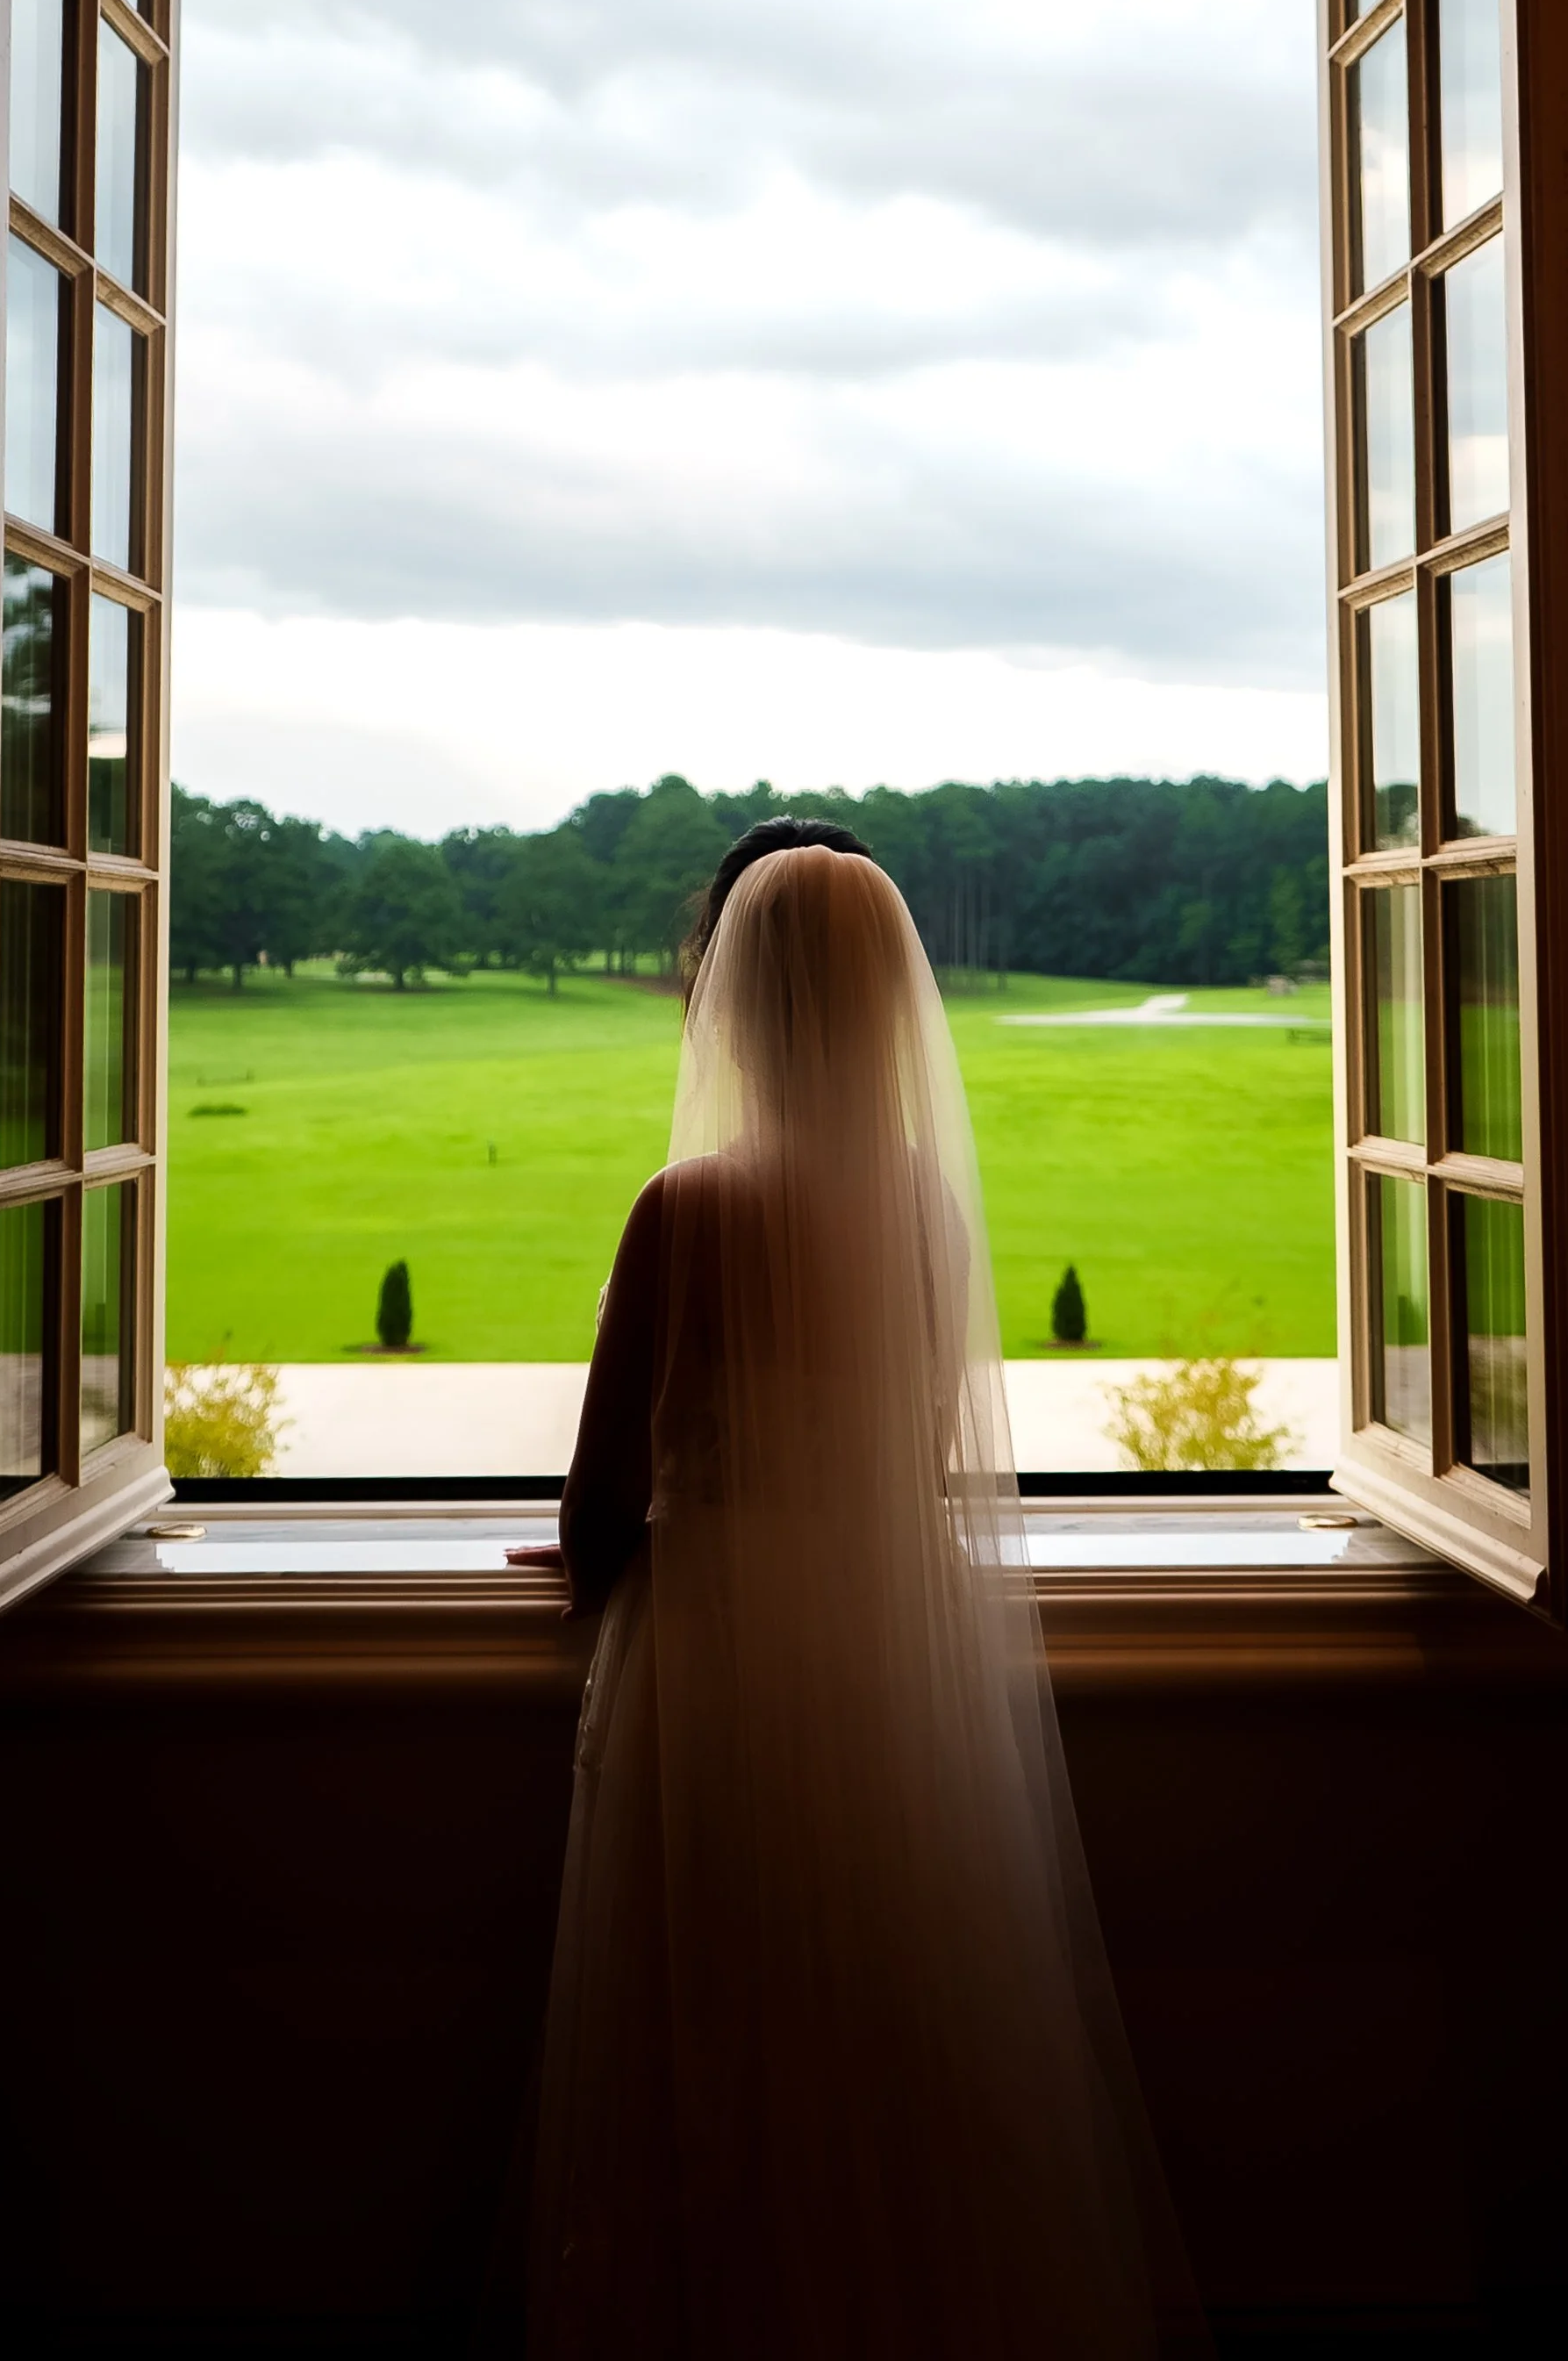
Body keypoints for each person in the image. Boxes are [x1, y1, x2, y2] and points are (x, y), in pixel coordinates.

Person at [516, 820, 1203, 2359]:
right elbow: (916, 1452)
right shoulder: (925, 1212)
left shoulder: (682, 1211)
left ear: (733, 1011)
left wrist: (577, 1554)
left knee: (707, 2039)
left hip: (719, 1671)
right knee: (884, 2040)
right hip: (883, 1662)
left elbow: (601, 1499)